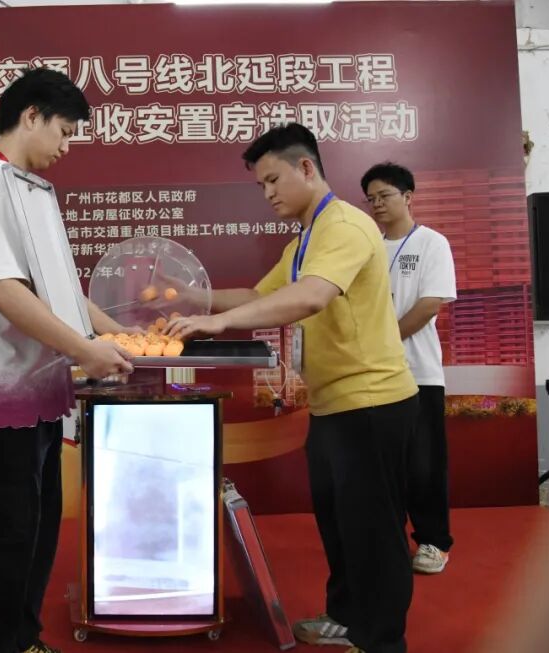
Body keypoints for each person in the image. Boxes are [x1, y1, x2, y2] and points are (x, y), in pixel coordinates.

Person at [166, 123, 418, 653]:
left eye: (273, 180)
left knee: (373, 531)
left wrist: (214, 324)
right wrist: (194, 299)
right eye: (261, 185)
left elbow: (310, 297)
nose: (268, 193)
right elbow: (259, 296)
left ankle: (382, 641)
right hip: (330, 405)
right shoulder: (305, 240)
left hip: (371, 402)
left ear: (306, 168)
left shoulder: (344, 225)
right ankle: (346, 618)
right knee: (340, 526)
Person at [0, 67, 133, 653]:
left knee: (36, 532)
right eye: (64, 131)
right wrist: (85, 350)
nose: (67, 147)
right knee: (1, 541)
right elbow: (1, 288)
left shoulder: (34, 191)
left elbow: (62, 292)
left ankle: (23, 638)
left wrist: (118, 335)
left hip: (41, 396)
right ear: (31, 116)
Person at [362, 162, 457, 575]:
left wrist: (383, 343)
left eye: (384, 196)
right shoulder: (367, 248)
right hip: (372, 376)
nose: (377, 205)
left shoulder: (432, 243)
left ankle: (434, 542)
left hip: (418, 374)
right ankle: (388, 541)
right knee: (382, 466)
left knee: (424, 465)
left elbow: (429, 305)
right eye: (370, 199)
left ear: (408, 197)